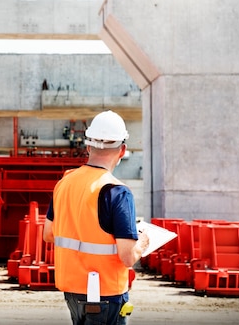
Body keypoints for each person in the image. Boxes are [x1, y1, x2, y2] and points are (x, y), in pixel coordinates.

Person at [43, 110, 149, 325]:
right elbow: (127, 257)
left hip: (72, 290)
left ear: (88, 146)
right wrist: (143, 241)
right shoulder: (117, 192)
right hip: (105, 294)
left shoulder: (64, 183)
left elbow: (48, 234)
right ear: (122, 150)